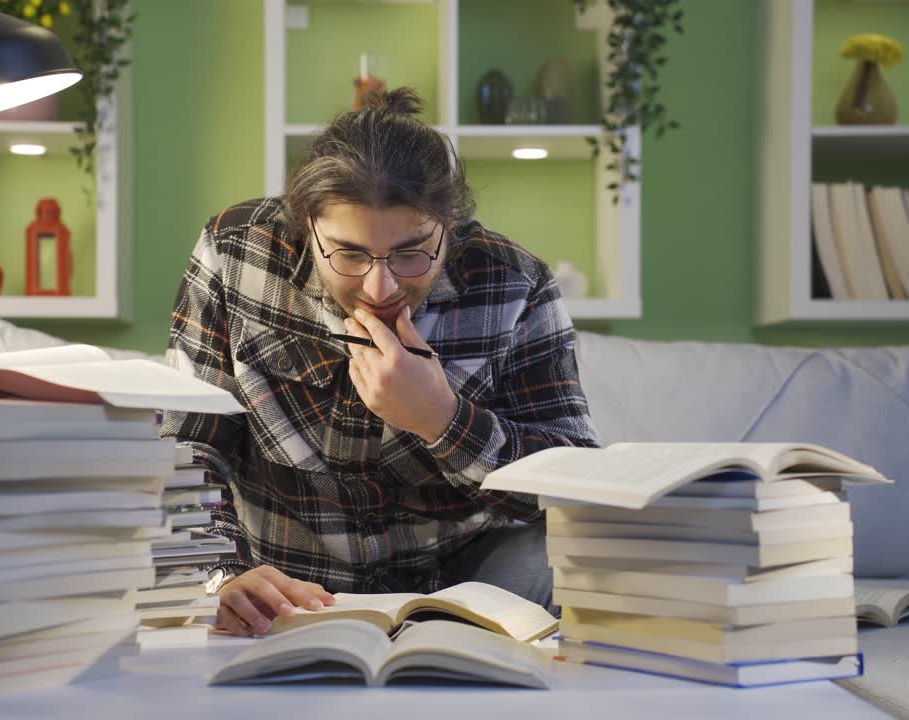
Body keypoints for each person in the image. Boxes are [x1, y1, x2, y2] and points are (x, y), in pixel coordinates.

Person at [161, 88, 598, 637]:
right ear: (305, 225)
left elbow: (579, 493)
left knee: (574, 570)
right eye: (348, 253)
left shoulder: (516, 285)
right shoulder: (234, 253)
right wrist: (219, 575)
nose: (380, 286)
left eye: (412, 252)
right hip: (290, 584)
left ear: (450, 224)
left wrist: (442, 418)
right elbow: (185, 446)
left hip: (470, 580)